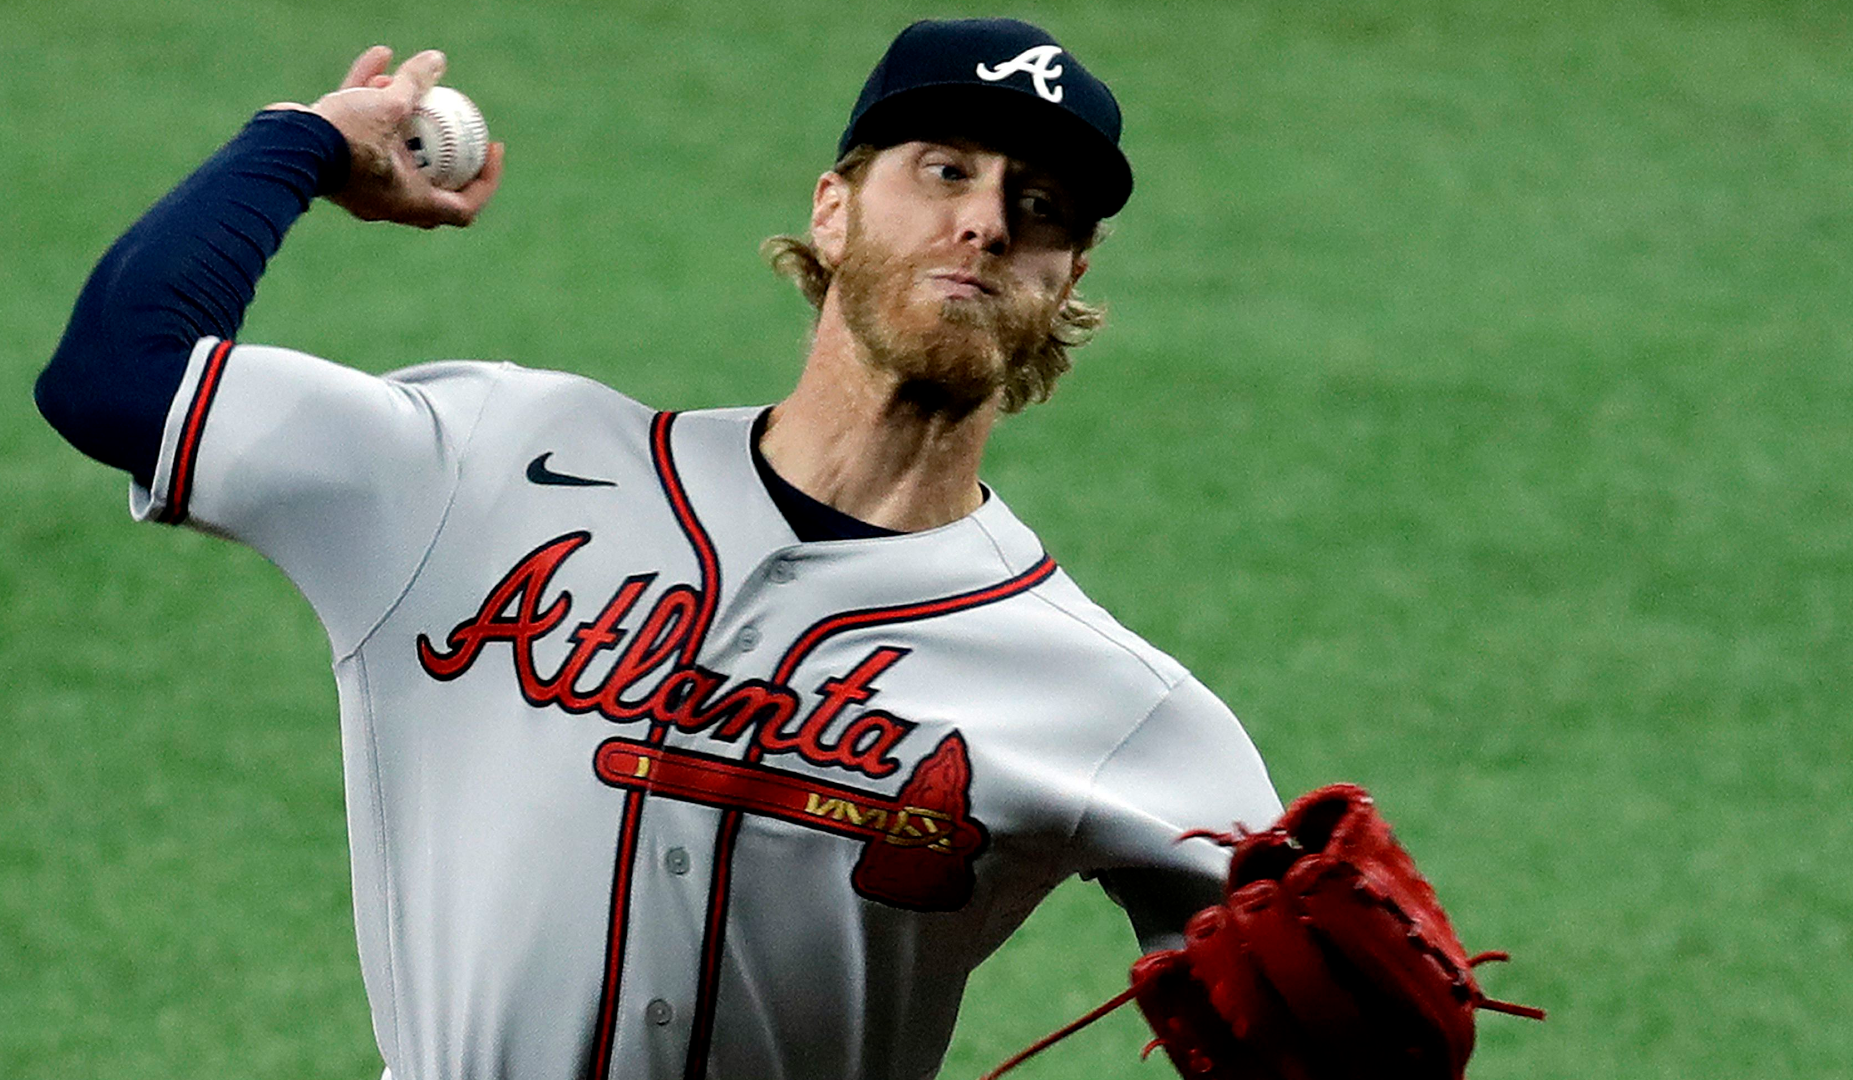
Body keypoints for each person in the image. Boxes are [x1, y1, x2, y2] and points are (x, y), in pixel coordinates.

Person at [37, 18, 1280, 1080]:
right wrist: (299, 142)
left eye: (1040, 206)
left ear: (1066, 279)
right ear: (833, 211)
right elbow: (114, 377)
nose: (987, 221)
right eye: (945, 169)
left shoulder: (1121, 708)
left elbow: (1315, 1014)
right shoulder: (479, 466)